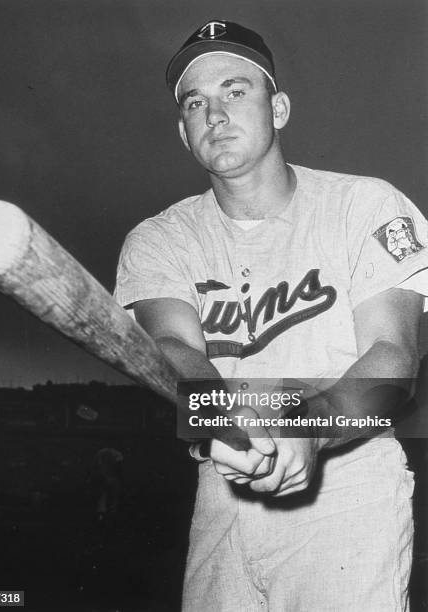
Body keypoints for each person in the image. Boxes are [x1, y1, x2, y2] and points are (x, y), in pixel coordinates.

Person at [115, 20, 428, 611]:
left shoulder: (365, 205)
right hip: (223, 484)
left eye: (236, 90)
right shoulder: (159, 238)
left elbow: (393, 359)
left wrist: (307, 423)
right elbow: (175, 351)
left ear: (278, 108)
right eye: (195, 102)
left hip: (347, 486)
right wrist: (232, 420)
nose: (215, 114)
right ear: (183, 133)